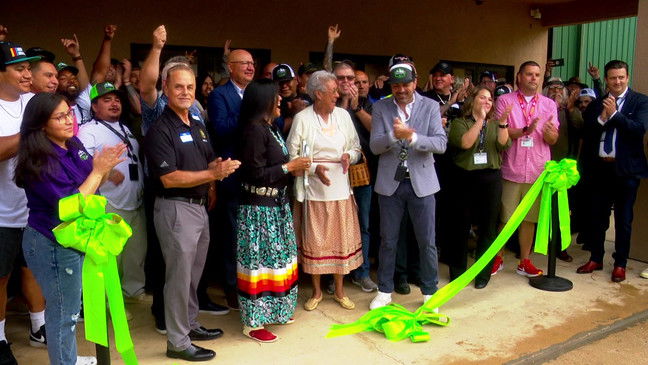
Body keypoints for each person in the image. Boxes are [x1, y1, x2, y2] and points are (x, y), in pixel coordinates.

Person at [16, 92, 126, 365]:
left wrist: (103, 168)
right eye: (60, 117)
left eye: (69, 113)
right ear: (41, 124)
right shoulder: (40, 159)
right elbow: (70, 206)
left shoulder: (72, 143)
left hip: (76, 237)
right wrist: (98, 172)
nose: (69, 120)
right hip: (51, 241)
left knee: (70, 310)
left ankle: (69, 359)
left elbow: (90, 182)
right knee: (64, 314)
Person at [144, 63, 240, 361]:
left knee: (192, 275)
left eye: (189, 87)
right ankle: (177, 342)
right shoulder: (161, 129)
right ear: (165, 88)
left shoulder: (196, 122)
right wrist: (213, 176)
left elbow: (207, 162)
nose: (185, 92)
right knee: (178, 277)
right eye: (178, 87)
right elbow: (169, 178)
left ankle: (190, 324)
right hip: (175, 209)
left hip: (198, 209)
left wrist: (219, 169)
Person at [236, 79, 310, 342]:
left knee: (277, 262)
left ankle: (277, 310)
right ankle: (253, 323)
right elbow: (254, 173)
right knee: (259, 265)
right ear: (264, 101)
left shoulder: (271, 127)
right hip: (259, 211)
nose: (281, 100)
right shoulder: (254, 130)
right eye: (276, 97)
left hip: (275, 206)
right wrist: (289, 168)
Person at [369, 63, 447, 309]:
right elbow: (375, 146)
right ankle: (384, 290)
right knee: (388, 240)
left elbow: (440, 143)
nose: (401, 89)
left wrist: (412, 138)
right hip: (390, 183)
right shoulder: (381, 106)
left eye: (406, 84)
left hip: (422, 182)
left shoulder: (431, 106)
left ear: (415, 82)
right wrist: (396, 135)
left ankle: (430, 292)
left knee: (427, 241)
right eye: (396, 85)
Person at [286, 70, 363, 311]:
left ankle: (340, 291)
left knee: (340, 241)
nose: (337, 95)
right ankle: (317, 291)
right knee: (315, 241)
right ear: (318, 94)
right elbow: (292, 154)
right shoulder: (303, 118)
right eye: (333, 91)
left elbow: (356, 148)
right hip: (313, 190)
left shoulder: (343, 116)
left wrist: (348, 156)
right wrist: (315, 168)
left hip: (341, 189)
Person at [576, 60, 648, 283]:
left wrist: (615, 115)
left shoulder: (640, 101)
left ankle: (620, 264)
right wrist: (602, 118)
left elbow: (638, 130)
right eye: (613, 77)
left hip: (626, 171)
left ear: (627, 77)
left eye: (621, 77)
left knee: (624, 220)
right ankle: (596, 258)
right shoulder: (598, 103)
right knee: (597, 217)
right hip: (600, 170)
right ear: (606, 80)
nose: (617, 81)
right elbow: (588, 132)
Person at [0, 42, 49, 365]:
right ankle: (0, 338)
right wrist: (29, 131)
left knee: (35, 269)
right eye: (19, 68)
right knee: (0, 278)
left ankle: (39, 327)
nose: (27, 74)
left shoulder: (34, 102)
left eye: (29, 68)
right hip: (1, 214)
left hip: (34, 209)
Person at [77, 82, 147, 300]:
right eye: (107, 100)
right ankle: (109, 300)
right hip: (109, 201)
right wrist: (105, 172)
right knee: (110, 255)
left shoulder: (126, 128)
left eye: (116, 99)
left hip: (135, 199)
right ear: (94, 107)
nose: (114, 103)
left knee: (136, 251)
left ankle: (133, 291)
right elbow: (80, 164)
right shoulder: (89, 130)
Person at [492, 61, 558, 278]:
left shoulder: (549, 104)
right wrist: (524, 130)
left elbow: (553, 138)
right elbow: (498, 132)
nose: (533, 78)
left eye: (537, 75)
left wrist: (549, 134)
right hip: (512, 168)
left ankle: (524, 261)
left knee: (530, 219)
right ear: (519, 76)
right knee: (505, 217)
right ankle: (497, 258)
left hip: (537, 170)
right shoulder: (504, 100)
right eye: (529, 74)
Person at [447, 87, 511, 289]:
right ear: (472, 101)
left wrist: (502, 124)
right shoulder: (459, 122)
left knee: (488, 227)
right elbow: (466, 143)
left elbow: (503, 145)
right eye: (482, 97)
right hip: (465, 178)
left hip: (490, 177)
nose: (487, 101)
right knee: (459, 226)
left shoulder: (496, 124)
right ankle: (458, 272)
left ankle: (483, 273)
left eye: (490, 99)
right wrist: (480, 121)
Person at [207, 48, 255, 310]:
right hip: (231, 175)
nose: (250, 67)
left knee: (250, 235)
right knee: (232, 236)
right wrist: (248, 110)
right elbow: (222, 129)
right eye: (244, 63)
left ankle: (251, 285)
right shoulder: (219, 95)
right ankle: (231, 288)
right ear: (231, 67)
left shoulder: (256, 92)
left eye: (251, 63)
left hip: (256, 175)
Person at [332, 61, 377, 292]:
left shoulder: (369, 105)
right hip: (332, 177)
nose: (348, 83)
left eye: (352, 79)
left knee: (363, 225)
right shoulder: (326, 106)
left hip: (361, 175)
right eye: (343, 79)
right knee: (334, 226)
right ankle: (334, 276)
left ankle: (362, 273)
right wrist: (342, 104)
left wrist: (356, 106)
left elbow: (376, 132)